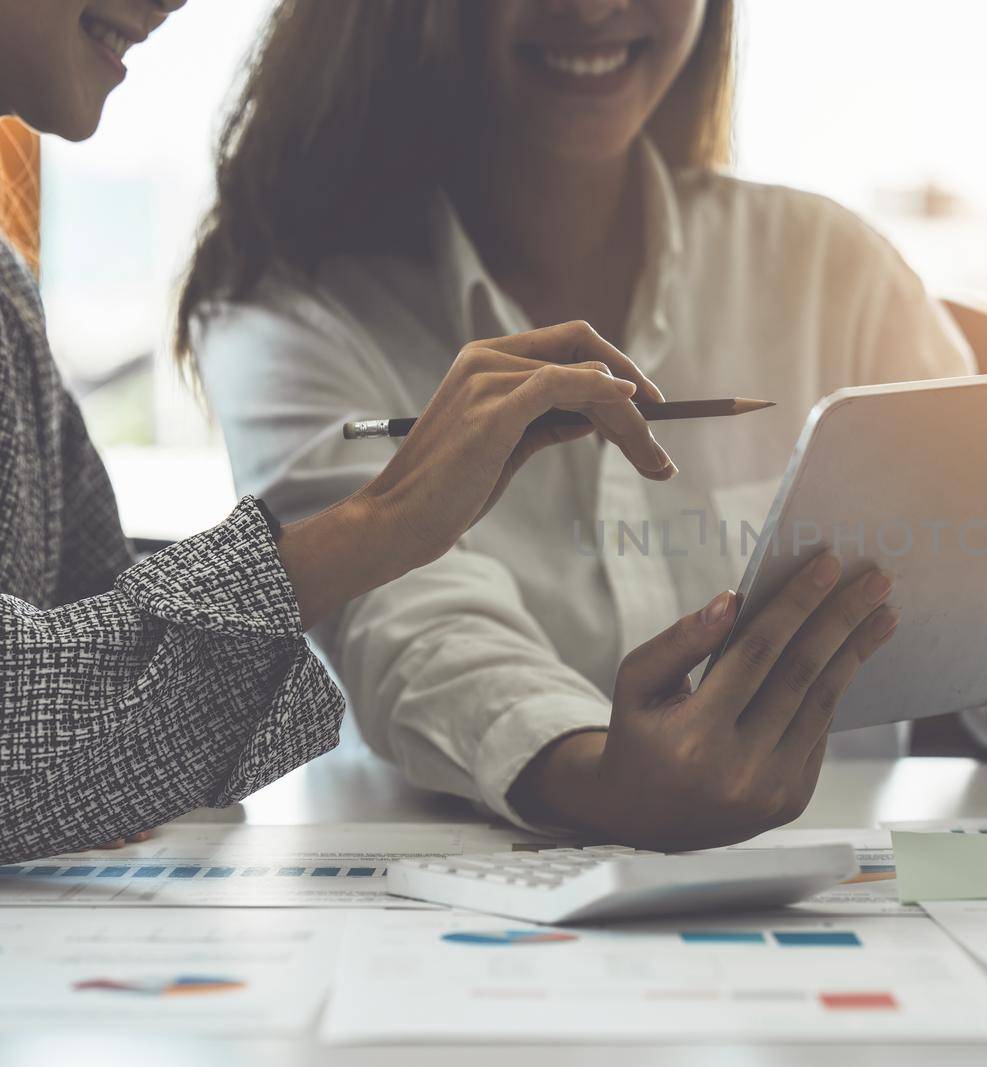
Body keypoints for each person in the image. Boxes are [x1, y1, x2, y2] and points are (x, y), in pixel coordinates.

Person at [186, 0, 987, 844]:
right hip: (445, 915)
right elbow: (412, 627)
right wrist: (603, 780)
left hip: (821, 922)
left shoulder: (829, 269)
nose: (590, 7)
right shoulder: (292, 314)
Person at [0, 0, 894, 864]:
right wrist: (380, 523)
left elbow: (108, 696)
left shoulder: (8, 302)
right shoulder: (294, 307)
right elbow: (72, 711)